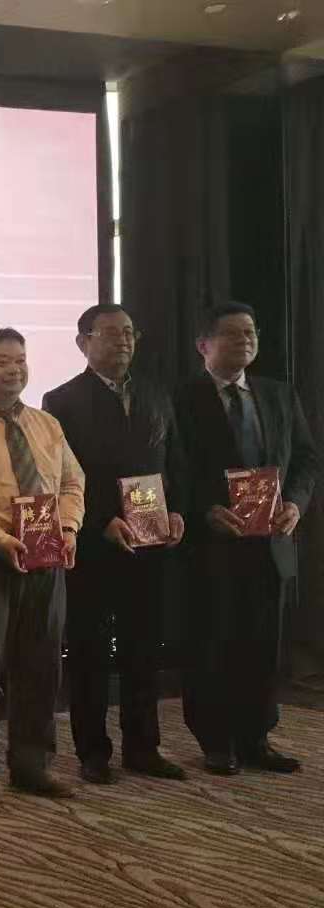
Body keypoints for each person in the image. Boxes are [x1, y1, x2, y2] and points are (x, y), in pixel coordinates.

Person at [42, 303, 187, 784]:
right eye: (109, 333)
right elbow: (63, 476)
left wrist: (178, 510)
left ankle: (143, 747)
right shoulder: (61, 400)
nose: (123, 341)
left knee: (144, 648)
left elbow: (175, 459)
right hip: (94, 544)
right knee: (89, 651)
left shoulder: (156, 392)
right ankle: (93, 752)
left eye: (129, 332)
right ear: (83, 342)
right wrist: (102, 521)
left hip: (150, 542)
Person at [174, 301, 319, 775]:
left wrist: (295, 503)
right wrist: (203, 511)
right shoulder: (180, 399)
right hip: (211, 544)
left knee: (262, 646)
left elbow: (305, 459)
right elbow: (173, 469)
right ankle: (216, 741)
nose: (246, 340)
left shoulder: (277, 394)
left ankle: (257, 737)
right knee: (212, 644)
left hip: (270, 542)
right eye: (233, 333)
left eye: (251, 332)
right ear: (204, 344)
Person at [0, 328, 85, 801]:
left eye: (20, 360)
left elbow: (72, 482)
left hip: (47, 559)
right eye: (1, 362)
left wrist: (68, 528)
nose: (14, 370)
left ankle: (32, 765)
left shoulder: (46, 424)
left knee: (41, 666)